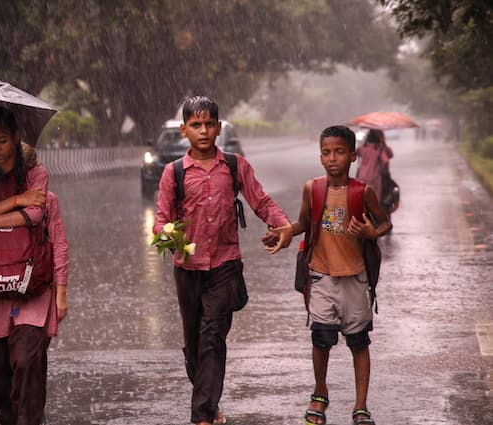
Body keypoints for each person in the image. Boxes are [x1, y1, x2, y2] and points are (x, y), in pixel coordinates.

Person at [153, 96, 291, 425]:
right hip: (187, 270)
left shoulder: (234, 165)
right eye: (196, 125)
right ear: (184, 130)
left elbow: (261, 201)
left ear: (218, 128)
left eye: (208, 124)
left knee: (212, 336)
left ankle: (201, 416)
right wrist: (171, 238)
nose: (203, 131)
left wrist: (282, 224)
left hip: (226, 266)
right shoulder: (173, 174)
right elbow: (160, 223)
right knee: (194, 345)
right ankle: (211, 403)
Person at [270, 125, 391, 425]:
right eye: (326, 152)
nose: (332, 158)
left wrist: (370, 232)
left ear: (353, 155)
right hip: (321, 277)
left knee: (359, 343)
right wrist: (287, 232)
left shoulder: (363, 192)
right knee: (321, 339)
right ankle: (319, 394)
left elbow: (385, 223)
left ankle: (360, 406)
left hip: (355, 278)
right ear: (320, 156)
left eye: (339, 152)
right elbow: (303, 223)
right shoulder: (313, 189)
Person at [0, 106, 66, 425]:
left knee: (26, 362)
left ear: (17, 138)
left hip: (33, 291)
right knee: (0, 377)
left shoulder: (37, 176)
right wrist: (15, 203)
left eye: (3, 140)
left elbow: (35, 216)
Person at [356, 129, 394, 213]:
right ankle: (375, 218)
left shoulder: (363, 148)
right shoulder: (379, 149)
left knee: (363, 199)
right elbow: (387, 159)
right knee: (375, 200)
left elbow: (355, 153)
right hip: (375, 178)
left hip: (362, 177)